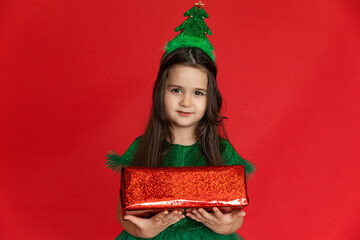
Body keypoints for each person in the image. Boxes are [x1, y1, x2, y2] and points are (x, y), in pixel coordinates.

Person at [106, 2, 256, 240]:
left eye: (198, 93)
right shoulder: (143, 148)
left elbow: (236, 216)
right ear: (160, 92)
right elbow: (122, 212)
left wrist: (224, 227)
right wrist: (140, 230)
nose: (186, 102)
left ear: (210, 98)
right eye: (176, 90)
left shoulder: (221, 151)